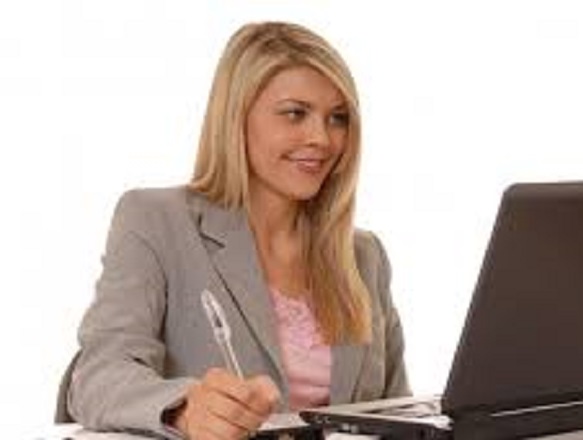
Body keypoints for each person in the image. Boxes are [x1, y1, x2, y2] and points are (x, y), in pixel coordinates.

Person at [67, 21, 410, 440]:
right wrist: (184, 408)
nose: (322, 138)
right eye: (295, 113)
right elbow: (97, 378)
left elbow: (401, 415)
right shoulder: (156, 221)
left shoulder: (364, 256)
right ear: (237, 117)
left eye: (338, 118)